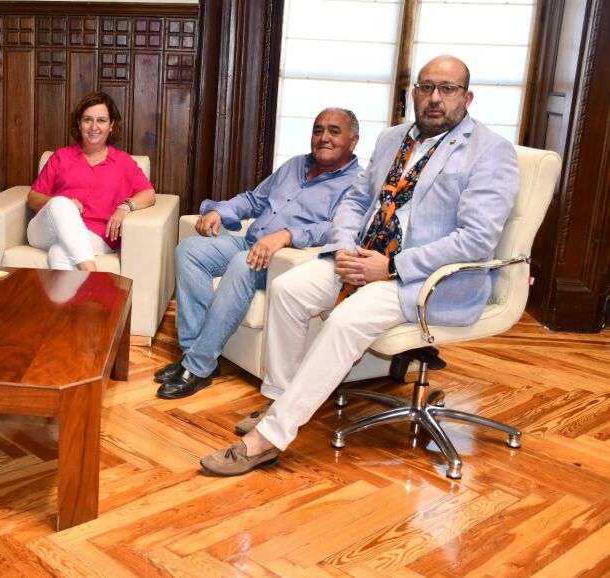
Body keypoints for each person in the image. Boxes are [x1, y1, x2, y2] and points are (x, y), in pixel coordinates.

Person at [200, 55, 520, 476]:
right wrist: (345, 248)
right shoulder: (392, 139)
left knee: (344, 320)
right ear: (414, 93)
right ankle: (281, 401)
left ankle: (268, 439)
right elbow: (355, 200)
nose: (435, 98)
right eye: (426, 87)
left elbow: (476, 239)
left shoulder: (491, 151)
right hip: (361, 257)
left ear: (467, 97)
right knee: (288, 289)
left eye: (447, 89)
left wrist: (391, 267)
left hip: (423, 278)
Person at [155, 108, 361, 399]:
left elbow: (337, 228)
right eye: (318, 130)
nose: (323, 137)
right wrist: (220, 210)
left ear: (353, 141)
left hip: (289, 261)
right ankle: (194, 353)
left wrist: (287, 235)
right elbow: (255, 200)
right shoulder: (294, 165)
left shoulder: (356, 184)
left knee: (244, 263)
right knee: (190, 250)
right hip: (251, 242)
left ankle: (197, 368)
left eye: (334, 132)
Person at [27, 92, 156, 271]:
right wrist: (65, 205)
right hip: (47, 231)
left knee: (59, 252)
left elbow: (149, 194)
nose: (94, 127)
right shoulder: (61, 157)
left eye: (101, 120)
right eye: (88, 120)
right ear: (79, 123)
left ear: (111, 125)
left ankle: (85, 288)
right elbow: (33, 198)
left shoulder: (123, 162)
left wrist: (125, 207)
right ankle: (94, 276)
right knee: (61, 203)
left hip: (97, 234)